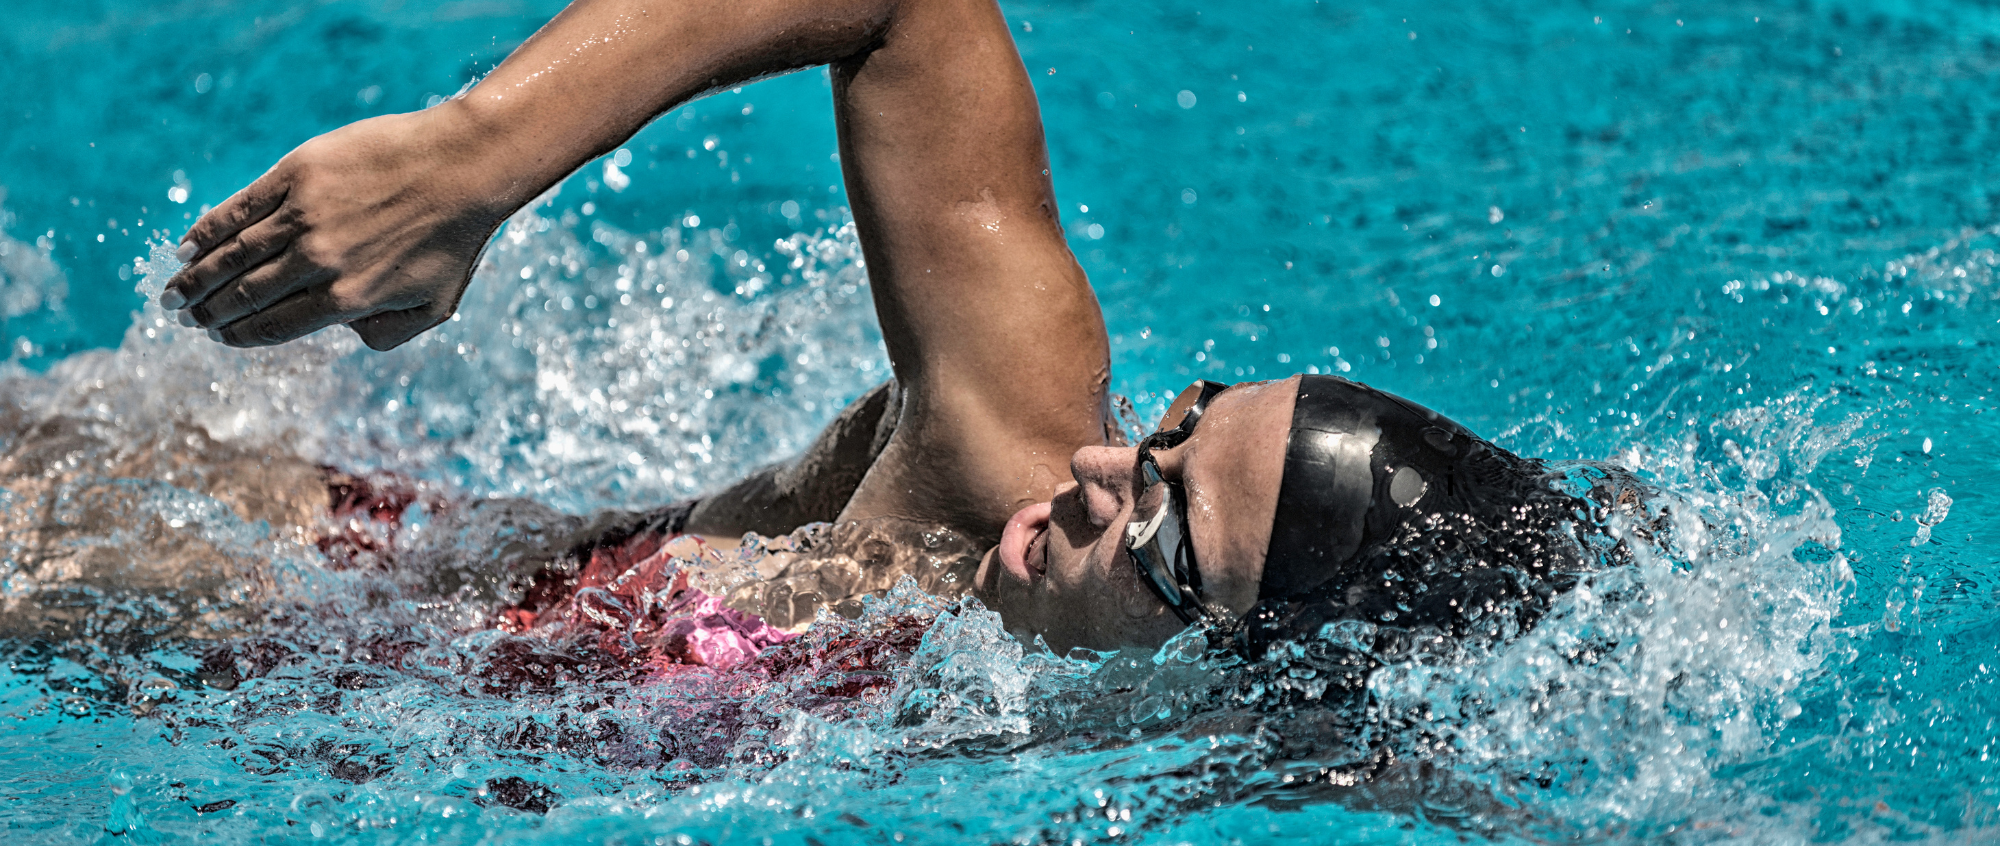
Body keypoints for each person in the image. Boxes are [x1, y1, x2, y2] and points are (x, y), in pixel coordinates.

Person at [160, 0, 1631, 659]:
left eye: (1166, 537)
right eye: (1180, 422)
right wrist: (468, 161)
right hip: (259, 574)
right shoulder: (998, 449)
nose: (1103, 468)